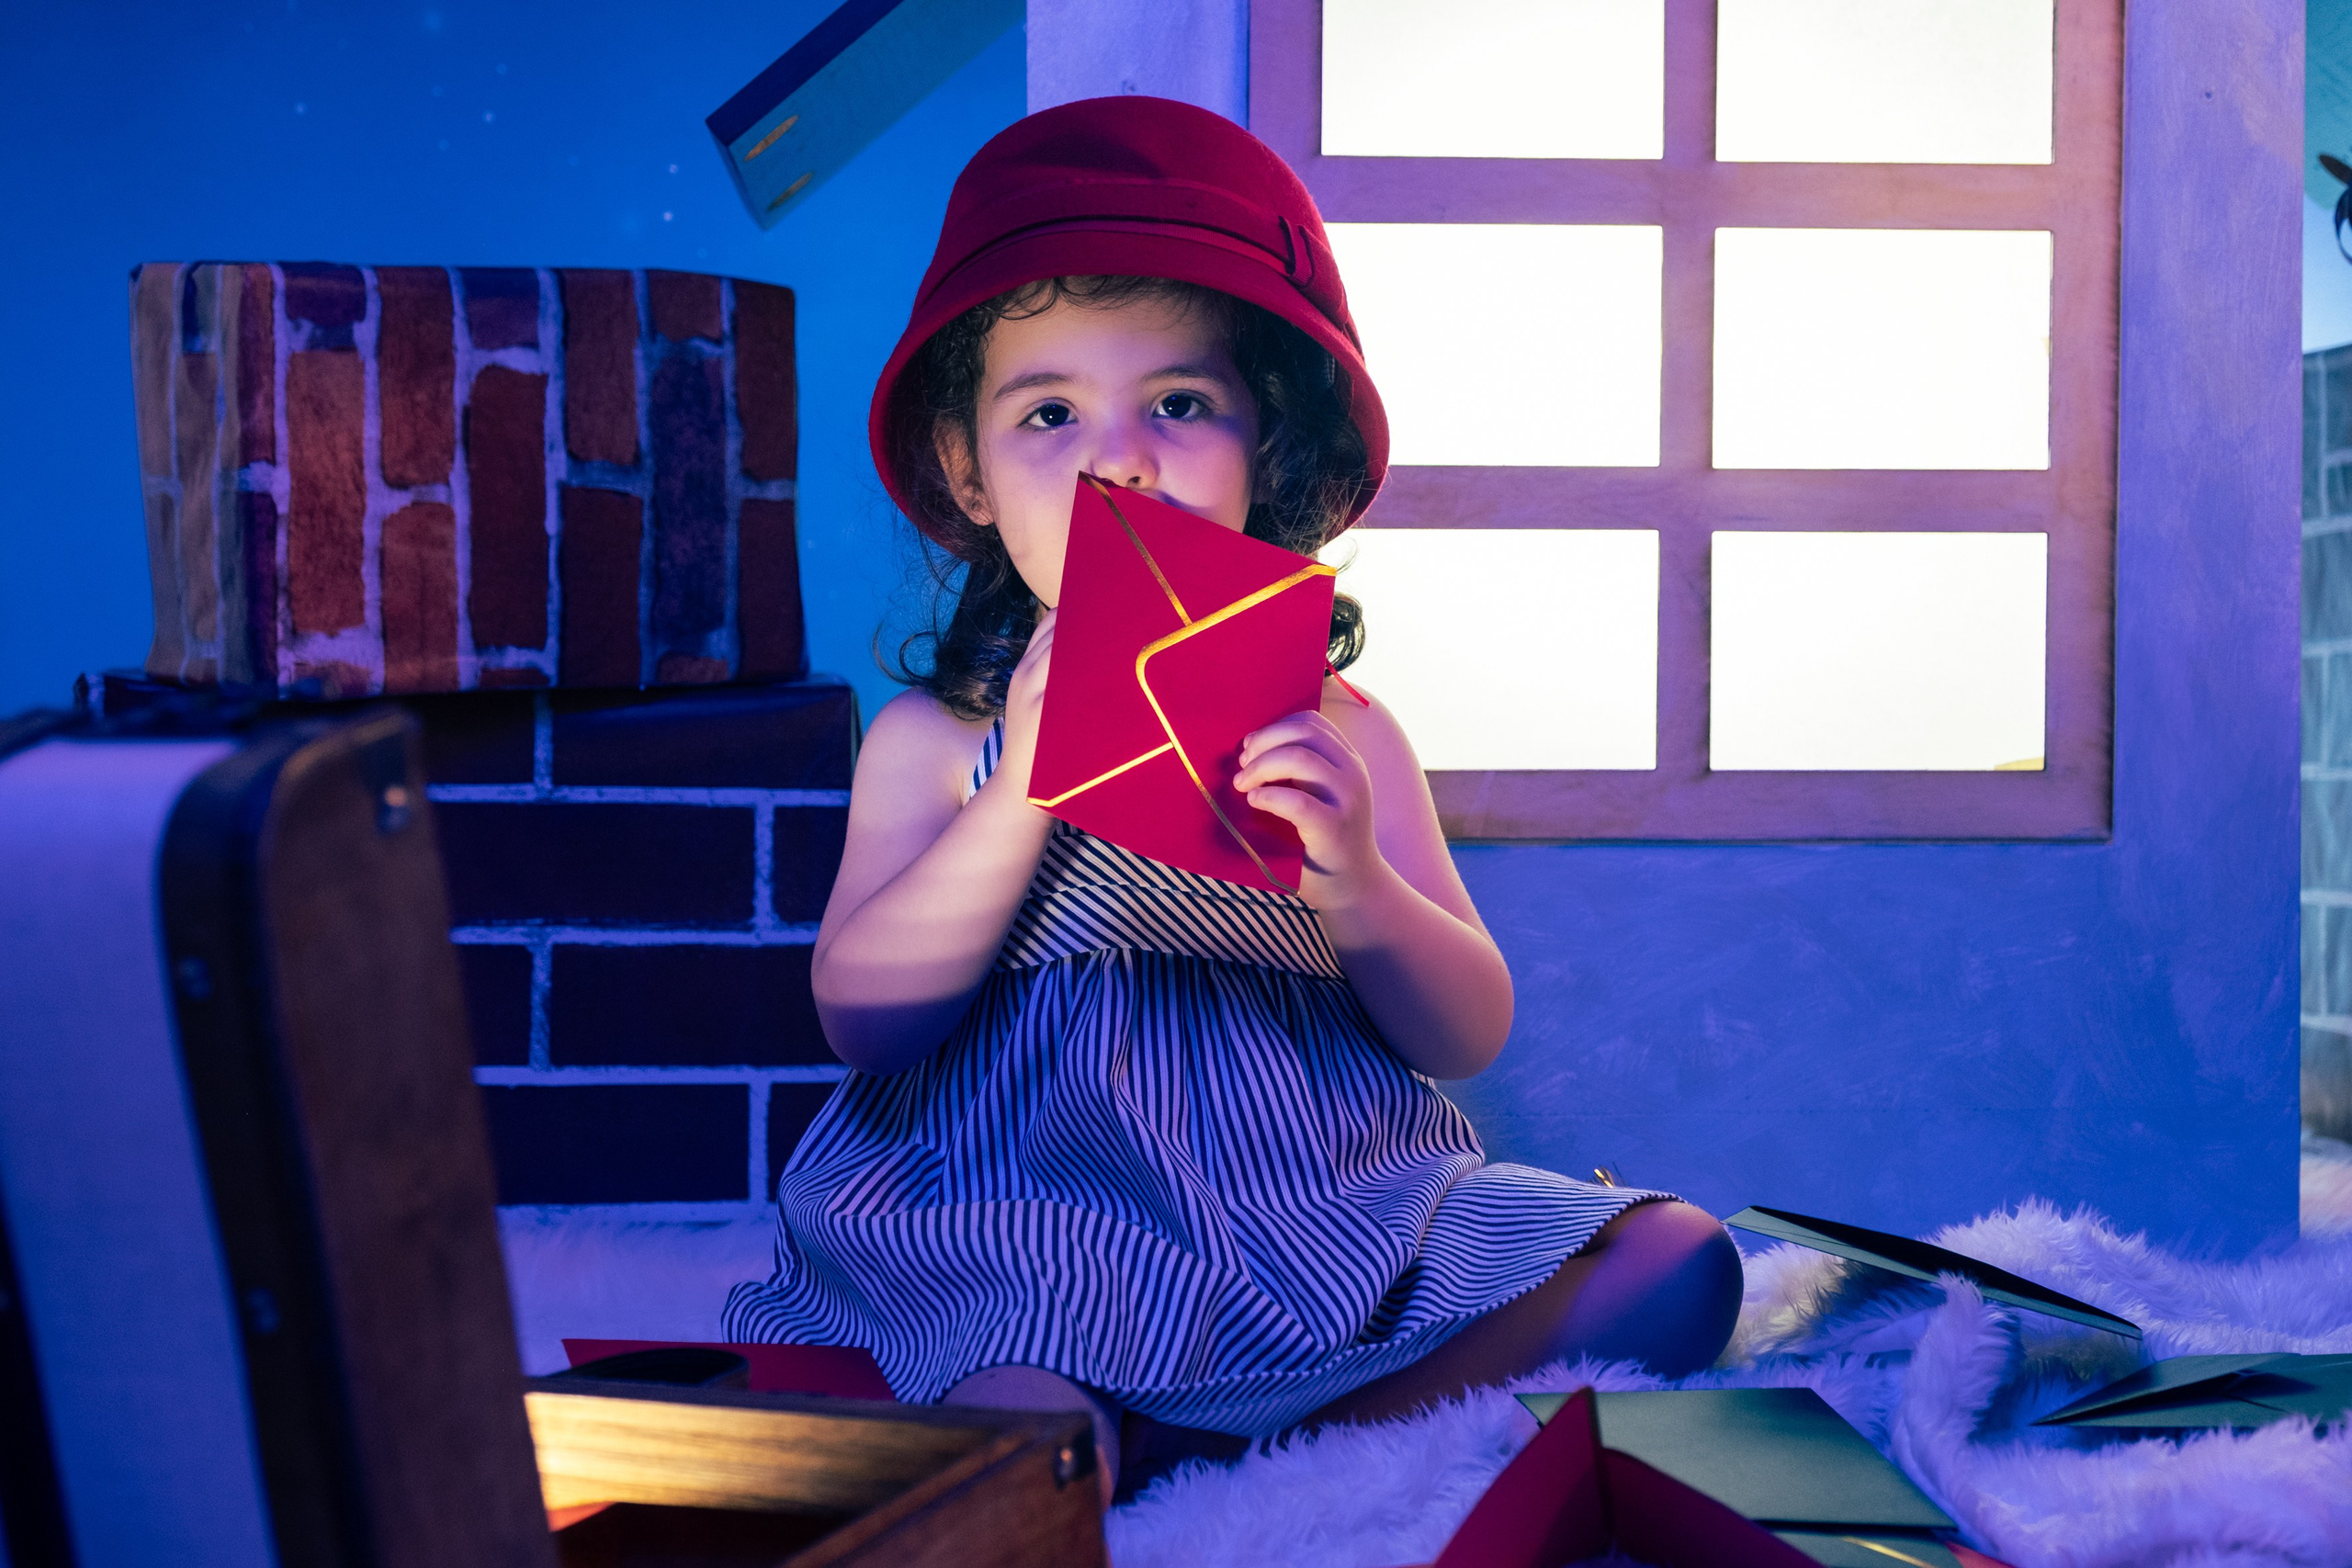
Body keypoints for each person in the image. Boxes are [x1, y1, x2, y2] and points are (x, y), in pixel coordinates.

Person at [724, 96, 1742, 1499]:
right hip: (1044, 1214)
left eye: (1180, 404)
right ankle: (1138, 1436)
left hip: (1327, 1208)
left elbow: (1463, 1031)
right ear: (969, 472)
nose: (1120, 458)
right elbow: (864, 1017)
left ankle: (1273, 1440)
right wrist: (1022, 791)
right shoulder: (936, 739)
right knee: (1020, 1406)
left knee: (1680, 1262)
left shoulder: (1346, 734)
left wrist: (1359, 884)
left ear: (1267, 447)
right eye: (1049, 413)